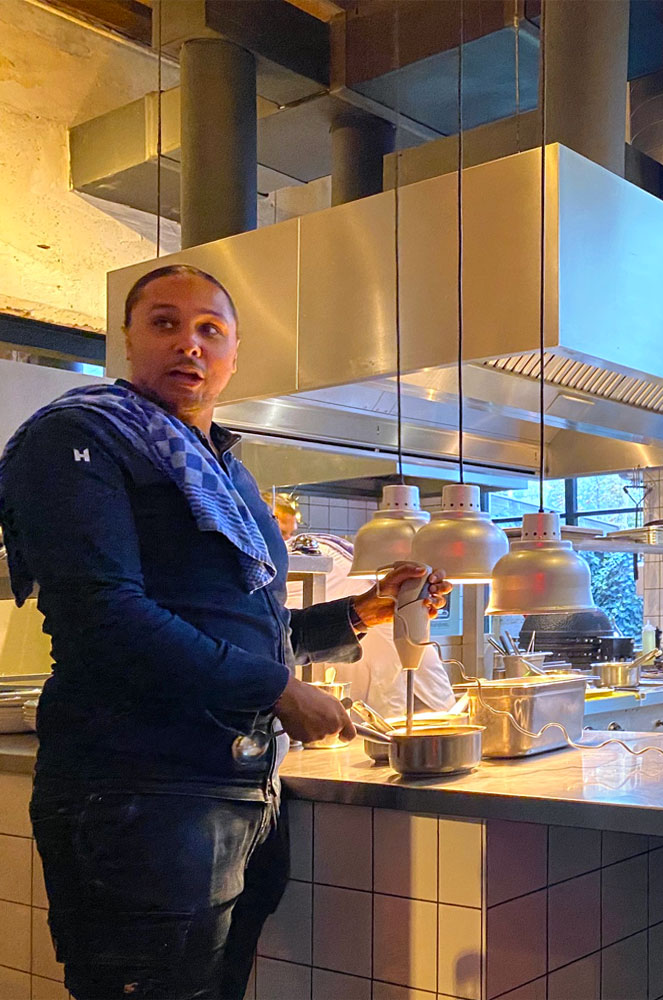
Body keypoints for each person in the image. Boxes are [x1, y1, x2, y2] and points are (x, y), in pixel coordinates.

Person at [0, 263, 451, 1000]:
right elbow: (105, 618)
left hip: (238, 789)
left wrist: (362, 611)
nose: (190, 344)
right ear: (127, 340)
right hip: (139, 791)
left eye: (210, 329)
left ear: (236, 354)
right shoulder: (81, 438)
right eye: (165, 323)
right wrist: (278, 689)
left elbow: (243, 626)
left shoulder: (223, 471)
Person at [278, 524, 456, 716]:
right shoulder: (307, 562)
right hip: (372, 706)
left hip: (397, 699)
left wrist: (364, 612)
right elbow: (274, 639)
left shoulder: (327, 558)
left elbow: (285, 635)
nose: (286, 536)